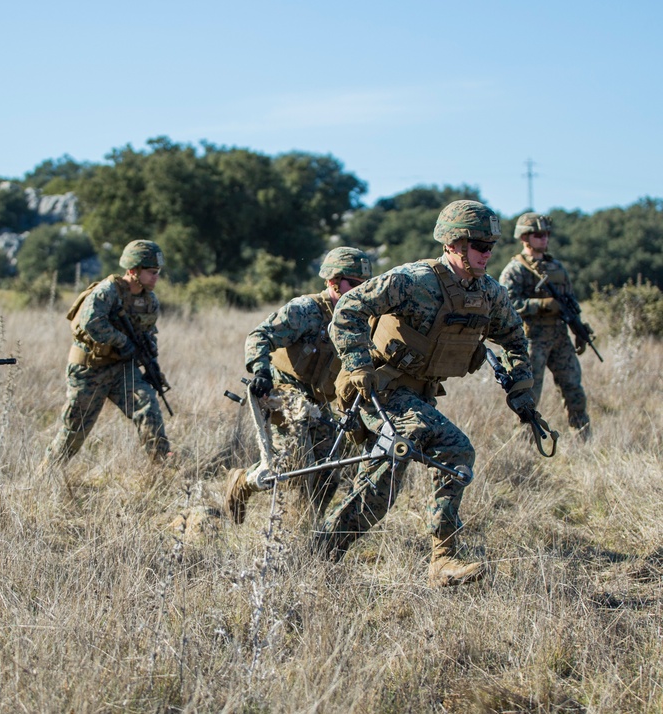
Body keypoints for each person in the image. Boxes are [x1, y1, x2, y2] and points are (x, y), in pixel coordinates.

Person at [317, 200, 535, 587]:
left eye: (491, 245)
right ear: (453, 243)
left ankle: (438, 558)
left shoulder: (489, 294)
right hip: (379, 389)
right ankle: (326, 552)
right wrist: (357, 363)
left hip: (419, 396)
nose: (487, 252)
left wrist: (521, 390)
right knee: (432, 446)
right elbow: (348, 308)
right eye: (479, 244)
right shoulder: (413, 280)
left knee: (418, 465)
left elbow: (516, 339)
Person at [225, 247, 373, 525]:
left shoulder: (359, 320)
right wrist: (260, 371)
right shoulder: (306, 310)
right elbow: (259, 336)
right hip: (283, 390)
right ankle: (242, 482)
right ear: (333, 282)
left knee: (329, 472)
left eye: (365, 285)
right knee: (292, 462)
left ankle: (304, 525)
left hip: (318, 401)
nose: (360, 290)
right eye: (354, 284)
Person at [43, 240, 170, 468]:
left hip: (122, 369)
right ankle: (46, 475)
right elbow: (91, 322)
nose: (156, 277)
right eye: (151, 272)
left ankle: (162, 469)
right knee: (75, 429)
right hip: (90, 368)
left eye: (157, 272)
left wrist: (151, 361)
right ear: (133, 271)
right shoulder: (107, 291)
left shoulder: (149, 301)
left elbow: (148, 333)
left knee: (148, 407)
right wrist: (122, 341)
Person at [498, 213, 591, 437]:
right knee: (528, 395)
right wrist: (542, 305)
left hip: (559, 338)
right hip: (531, 340)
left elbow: (570, 301)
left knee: (574, 390)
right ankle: (524, 444)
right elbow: (506, 304)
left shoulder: (556, 267)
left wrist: (580, 329)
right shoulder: (515, 270)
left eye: (546, 234)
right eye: (538, 235)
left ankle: (583, 439)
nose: (544, 239)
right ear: (524, 237)